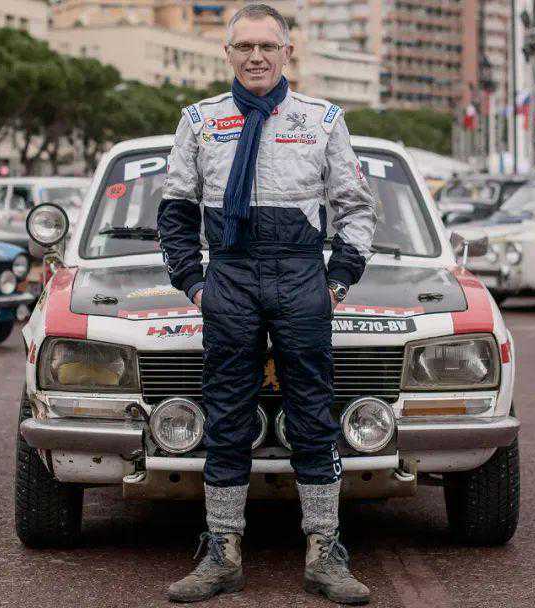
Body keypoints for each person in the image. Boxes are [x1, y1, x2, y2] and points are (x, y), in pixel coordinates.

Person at [156, 3, 378, 605]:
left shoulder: (322, 119)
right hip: (229, 274)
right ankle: (221, 551)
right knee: (226, 414)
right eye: (244, 47)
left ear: (287, 53)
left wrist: (337, 282)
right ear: (227, 53)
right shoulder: (199, 120)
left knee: (313, 413)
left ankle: (325, 550)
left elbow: (355, 208)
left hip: (302, 274)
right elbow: (175, 212)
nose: (256, 57)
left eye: (267, 47)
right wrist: (195, 284)